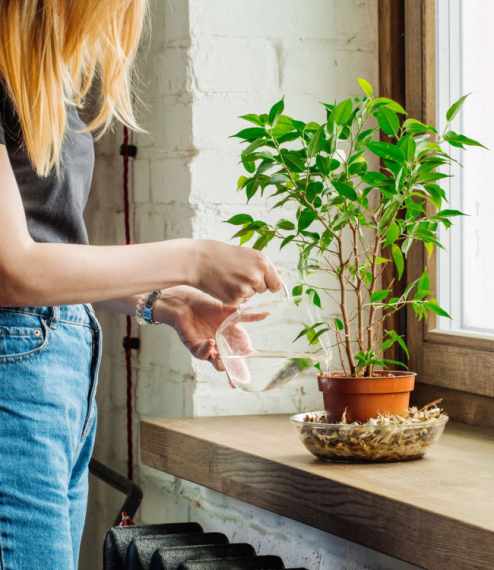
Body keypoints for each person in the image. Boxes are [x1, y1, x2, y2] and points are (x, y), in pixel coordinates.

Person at [0, 0, 281, 568]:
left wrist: (164, 301)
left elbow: (46, 254)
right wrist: (191, 258)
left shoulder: (38, 81)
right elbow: (12, 272)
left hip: (57, 380)